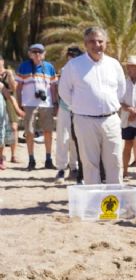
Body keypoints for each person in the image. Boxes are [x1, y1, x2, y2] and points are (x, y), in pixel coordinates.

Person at [58, 27, 126, 184]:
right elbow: (64, 91)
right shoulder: (74, 65)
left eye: (100, 41)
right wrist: (81, 107)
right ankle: (94, 203)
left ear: (106, 43)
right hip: (84, 121)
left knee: (115, 162)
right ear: (85, 44)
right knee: (90, 164)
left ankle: (114, 201)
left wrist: (108, 104)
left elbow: (121, 90)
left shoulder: (114, 64)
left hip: (111, 120)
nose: (97, 45)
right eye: (92, 41)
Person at [16, 43, 58, 170]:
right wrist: (19, 104)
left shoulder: (49, 67)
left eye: (39, 52)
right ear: (29, 54)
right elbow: (18, 88)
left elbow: (53, 87)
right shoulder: (23, 66)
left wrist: (55, 103)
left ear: (44, 54)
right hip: (29, 105)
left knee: (48, 132)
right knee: (29, 132)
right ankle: (31, 159)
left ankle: (48, 159)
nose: (37, 54)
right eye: (34, 52)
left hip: (47, 105)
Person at [54, 47, 83, 183]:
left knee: (75, 139)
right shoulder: (65, 70)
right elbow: (61, 91)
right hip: (65, 108)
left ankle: (74, 167)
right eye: (69, 55)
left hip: (80, 109)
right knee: (62, 138)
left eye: (74, 55)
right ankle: (60, 169)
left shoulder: (84, 69)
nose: (71, 57)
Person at [0, 55, 23, 163]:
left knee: (14, 127)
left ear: (2, 61)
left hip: (10, 100)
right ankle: (2, 155)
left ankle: (14, 155)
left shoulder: (9, 72)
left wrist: (9, 75)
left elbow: (14, 88)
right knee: (2, 128)